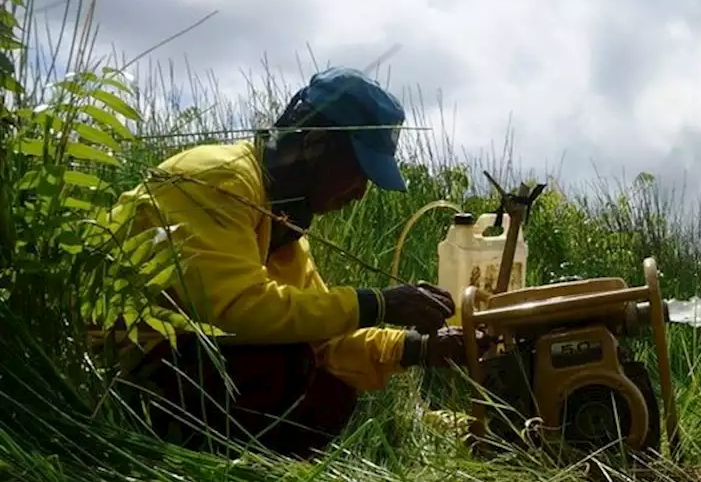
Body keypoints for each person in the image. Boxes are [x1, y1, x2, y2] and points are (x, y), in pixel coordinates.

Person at [91, 66, 487, 459]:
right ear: (315, 143)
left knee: (330, 387)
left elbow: (326, 340)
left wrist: (419, 348)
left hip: (176, 366)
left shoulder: (284, 227)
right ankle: (165, 470)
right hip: (117, 372)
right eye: (358, 171)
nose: (361, 192)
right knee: (284, 364)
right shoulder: (219, 178)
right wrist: (381, 304)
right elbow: (235, 311)